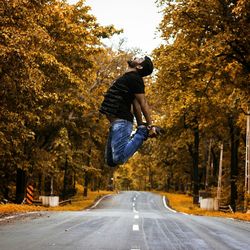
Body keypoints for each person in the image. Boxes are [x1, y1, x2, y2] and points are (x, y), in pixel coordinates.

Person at [99, 56, 160, 167]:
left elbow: (143, 103)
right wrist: (140, 124)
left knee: (118, 159)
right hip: (115, 124)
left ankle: (142, 134)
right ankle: (142, 130)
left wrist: (150, 126)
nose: (136, 57)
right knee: (110, 161)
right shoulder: (128, 78)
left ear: (139, 66)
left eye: (140, 59)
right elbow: (135, 104)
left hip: (122, 122)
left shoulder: (135, 78)